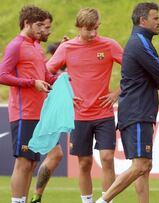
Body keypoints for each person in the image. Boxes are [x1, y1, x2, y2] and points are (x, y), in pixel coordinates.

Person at [46, 8, 123, 203]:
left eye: (96, 28)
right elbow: (46, 72)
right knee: (84, 163)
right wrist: (64, 93)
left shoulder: (109, 45)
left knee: (107, 158)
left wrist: (118, 92)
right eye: (89, 29)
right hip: (79, 116)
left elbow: (133, 69)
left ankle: (107, 201)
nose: (93, 33)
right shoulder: (67, 48)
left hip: (104, 113)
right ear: (79, 27)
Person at [95, 2, 159, 203]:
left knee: (144, 167)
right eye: (155, 18)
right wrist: (158, 76)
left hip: (137, 111)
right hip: (138, 112)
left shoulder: (141, 41)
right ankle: (103, 200)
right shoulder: (140, 42)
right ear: (142, 20)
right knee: (141, 165)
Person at [0, 5, 55, 203]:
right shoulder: (16, 45)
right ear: (26, 24)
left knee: (31, 164)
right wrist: (32, 83)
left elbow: (46, 76)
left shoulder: (36, 46)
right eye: (39, 25)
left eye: (44, 25)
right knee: (23, 163)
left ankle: (22, 200)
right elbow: (2, 75)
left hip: (39, 113)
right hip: (23, 113)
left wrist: (64, 80)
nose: (42, 29)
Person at [29, 11, 65, 203]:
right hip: (35, 110)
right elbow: (44, 74)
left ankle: (35, 196)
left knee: (52, 155)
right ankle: (29, 197)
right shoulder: (30, 49)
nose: (47, 31)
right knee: (28, 161)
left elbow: (48, 76)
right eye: (45, 27)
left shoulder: (37, 50)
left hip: (45, 110)